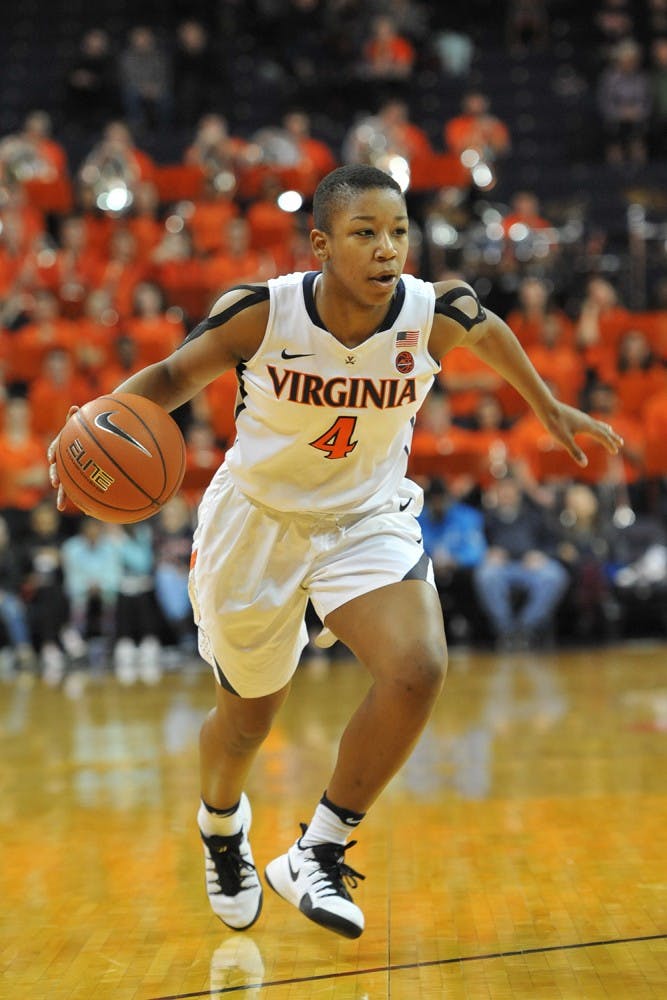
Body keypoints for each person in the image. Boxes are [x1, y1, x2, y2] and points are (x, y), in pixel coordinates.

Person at [48, 165, 623, 940]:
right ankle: (222, 824)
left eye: (397, 233)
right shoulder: (262, 313)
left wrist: (545, 406)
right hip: (258, 525)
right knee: (247, 722)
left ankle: (318, 848)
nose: (387, 249)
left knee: (417, 667)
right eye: (364, 233)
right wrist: (87, 439)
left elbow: (487, 329)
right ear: (320, 244)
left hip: (364, 518)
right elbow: (170, 375)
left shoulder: (431, 312)